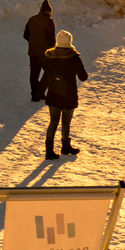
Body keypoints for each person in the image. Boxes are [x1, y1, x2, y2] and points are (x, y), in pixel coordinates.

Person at [39, 30, 88, 159]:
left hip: (53, 93)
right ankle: (65, 146)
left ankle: (49, 151)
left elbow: (45, 76)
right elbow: (83, 77)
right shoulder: (74, 57)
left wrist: (40, 90)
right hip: (69, 94)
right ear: (69, 42)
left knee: (53, 121)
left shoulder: (50, 56)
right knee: (66, 122)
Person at [22, 0, 56, 102]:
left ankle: (34, 95)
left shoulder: (31, 19)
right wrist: (52, 49)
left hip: (32, 51)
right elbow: (51, 38)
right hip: (44, 51)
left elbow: (25, 35)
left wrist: (33, 42)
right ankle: (40, 91)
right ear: (49, 11)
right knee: (50, 71)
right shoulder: (49, 20)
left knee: (34, 73)